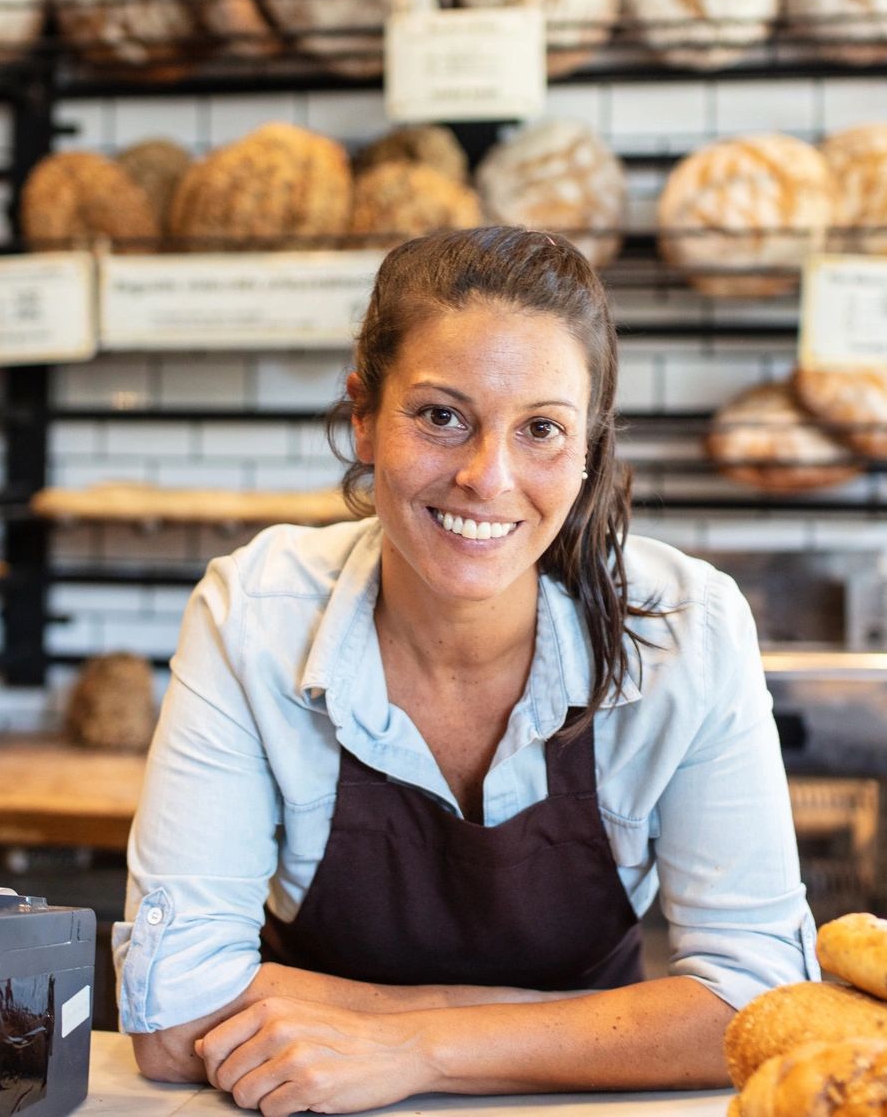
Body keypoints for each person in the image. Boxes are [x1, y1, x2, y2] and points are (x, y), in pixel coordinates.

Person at [113, 226, 815, 1114]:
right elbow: (171, 1018)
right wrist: (602, 1025)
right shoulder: (255, 613)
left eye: (542, 431)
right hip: (301, 1100)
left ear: (590, 447)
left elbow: (764, 1009)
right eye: (441, 416)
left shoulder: (685, 631)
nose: (488, 477)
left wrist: (417, 1045)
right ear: (363, 416)